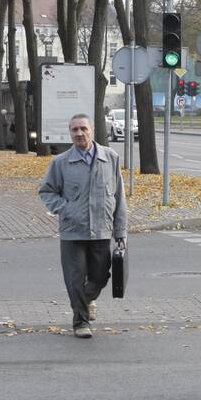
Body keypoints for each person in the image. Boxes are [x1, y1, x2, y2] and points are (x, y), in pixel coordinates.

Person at [38, 113, 127, 338]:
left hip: (101, 229)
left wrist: (120, 231)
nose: (79, 133)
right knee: (75, 278)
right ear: (70, 133)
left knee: (101, 276)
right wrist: (65, 208)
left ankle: (85, 302)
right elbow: (46, 191)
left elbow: (119, 196)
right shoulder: (61, 162)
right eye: (75, 130)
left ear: (92, 131)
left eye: (83, 129)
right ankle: (81, 322)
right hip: (72, 231)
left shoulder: (111, 158)